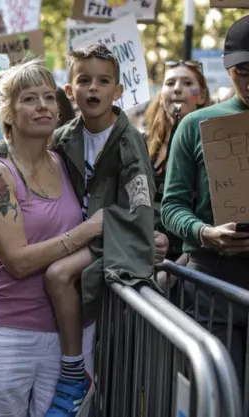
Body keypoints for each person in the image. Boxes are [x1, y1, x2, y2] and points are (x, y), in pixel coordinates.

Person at [0, 60, 101, 417]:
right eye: (29, 99)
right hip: (8, 336)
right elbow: (18, 260)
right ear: (9, 114)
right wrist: (85, 233)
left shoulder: (68, 162)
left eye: (48, 97)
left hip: (71, 336)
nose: (43, 105)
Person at [43, 44, 155, 415]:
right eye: (84, 80)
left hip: (114, 238)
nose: (93, 89)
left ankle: (75, 373)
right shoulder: (63, 137)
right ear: (70, 88)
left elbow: (140, 206)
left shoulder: (129, 141)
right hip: (74, 235)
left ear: (118, 91)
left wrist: (109, 227)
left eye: (103, 81)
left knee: (59, 275)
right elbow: (24, 154)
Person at [161, 15, 249, 386]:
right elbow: (171, 206)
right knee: (216, 394)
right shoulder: (195, 125)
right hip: (212, 284)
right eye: (244, 70)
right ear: (228, 69)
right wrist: (205, 232)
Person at [144, 60, 211, 288]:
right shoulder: (144, 145)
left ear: (201, 96)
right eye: (170, 83)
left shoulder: (213, 147)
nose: (177, 88)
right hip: (147, 260)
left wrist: (174, 273)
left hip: (187, 270)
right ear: (161, 95)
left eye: (187, 82)